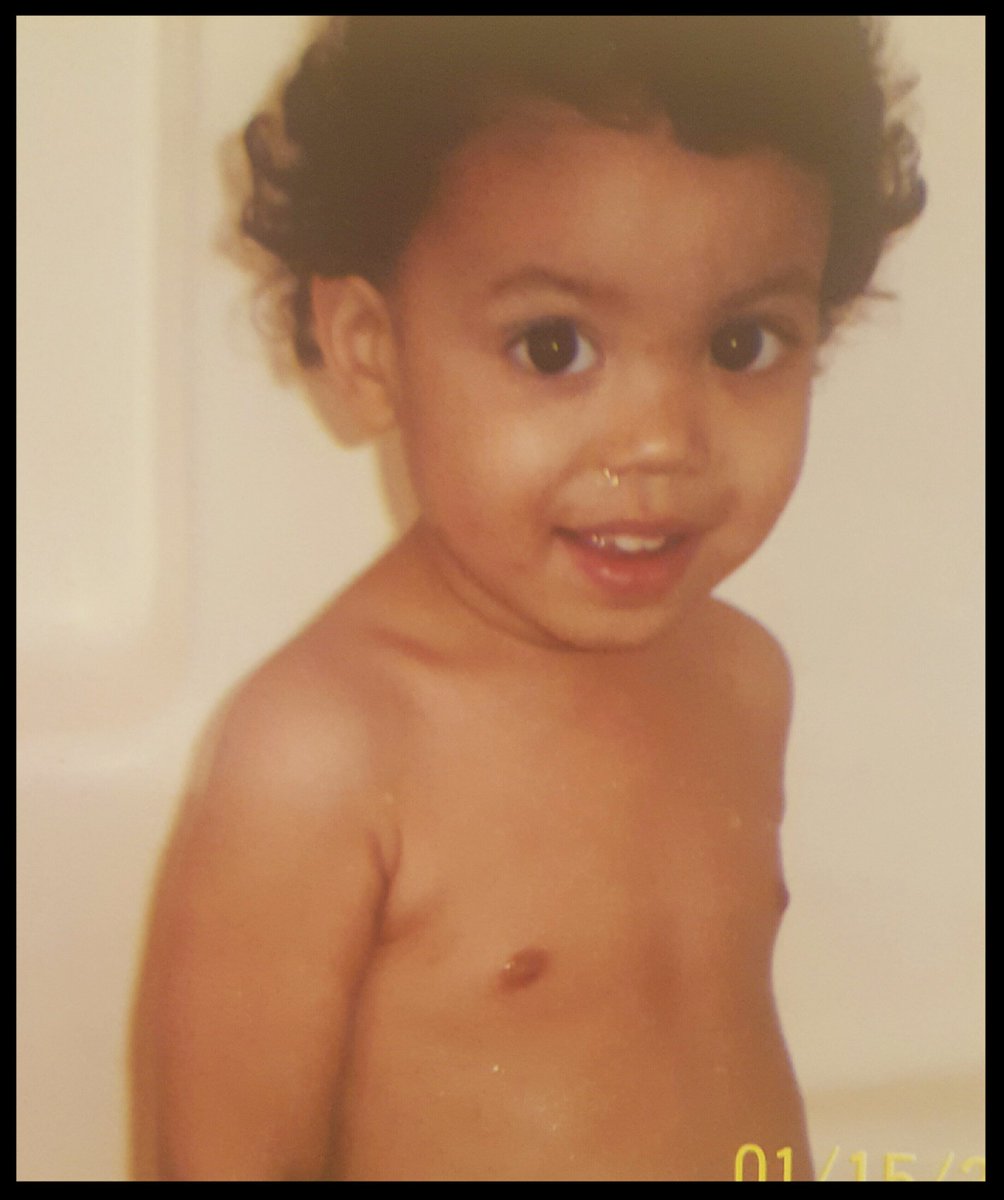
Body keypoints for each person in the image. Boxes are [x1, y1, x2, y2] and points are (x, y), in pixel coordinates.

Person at [131, 16, 924, 1181]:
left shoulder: (741, 676)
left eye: (740, 343)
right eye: (553, 347)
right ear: (368, 349)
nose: (661, 441)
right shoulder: (326, 752)